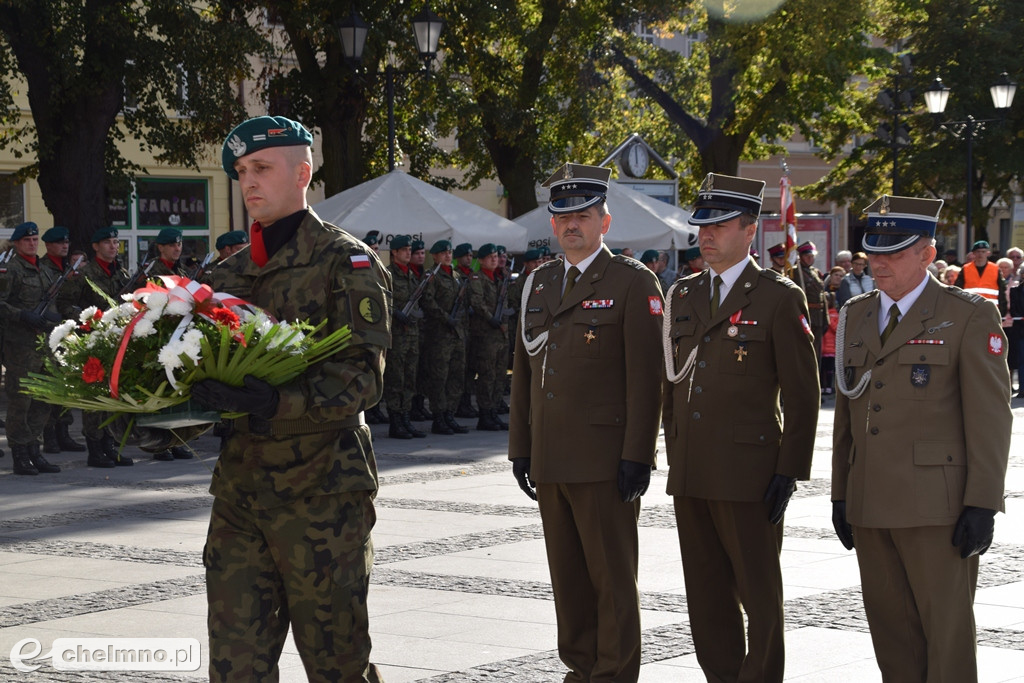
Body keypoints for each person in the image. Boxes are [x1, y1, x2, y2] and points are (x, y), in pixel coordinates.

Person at [191, 115, 390, 682]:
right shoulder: (227, 274)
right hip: (240, 492)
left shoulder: (344, 263)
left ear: (302, 173)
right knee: (235, 664)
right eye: (240, 172)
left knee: (336, 661)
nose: (247, 182)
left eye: (261, 168)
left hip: (321, 492)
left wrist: (277, 401)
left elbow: (363, 379)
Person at [832, 194, 1011, 682]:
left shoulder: (968, 316)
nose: (879, 262)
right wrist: (840, 494)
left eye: (895, 251)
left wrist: (982, 503)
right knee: (892, 639)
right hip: (870, 504)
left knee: (946, 639)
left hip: (938, 509)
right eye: (874, 251)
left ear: (928, 253)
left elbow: (992, 418)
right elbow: (847, 413)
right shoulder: (857, 314)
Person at [509, 162, 663, 682]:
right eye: (563, 216)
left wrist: (638, 454)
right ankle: (580, 668)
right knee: (568, 579)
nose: (572, 224)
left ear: (605, 221)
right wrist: (520, 447)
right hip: (552, 455)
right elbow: (524, 374)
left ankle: (615, 673)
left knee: (611, 579)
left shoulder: (631, 282)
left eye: (584, 214)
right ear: (553, 224)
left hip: (604, 459)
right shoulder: (539, 282)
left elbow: (648, 379)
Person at [662, 173, 819, 683]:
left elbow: (802, 392)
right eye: (702, 225)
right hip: (692, 470)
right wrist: (674, 450)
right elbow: (671, 383)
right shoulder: (682, 294)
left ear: (750, 230)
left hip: (750, 471)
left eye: (720, 225)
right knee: (705, 595)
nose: (706, 235)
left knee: (758, 593)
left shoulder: (777, 297)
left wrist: (789, 470)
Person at [0, 221, 64, 475]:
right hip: (20, 347)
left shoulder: (44, 270)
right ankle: (20, 454)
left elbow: (52, 301)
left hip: (43, 345)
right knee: (21, 401)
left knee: (43, 399)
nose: (32, 243)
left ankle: (34, 450)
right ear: (16, 243)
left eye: (35, 239)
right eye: (27, 240)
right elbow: (1, 304)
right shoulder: (10, 269)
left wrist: (54, 318)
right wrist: (23, 315)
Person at [70, 227, 134, 468]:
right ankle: (95, 449)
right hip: (95, 340)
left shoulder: (122, 273)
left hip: (118, 340)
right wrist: (88, 321)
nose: (113, 246)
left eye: (116, 242)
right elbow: (67, 305)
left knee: (113, 392)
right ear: (96, 246)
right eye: (107, 242)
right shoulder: (84, 275)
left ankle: (111, 445)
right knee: (95, 394)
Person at [38, 226, 86, 456]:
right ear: (48, 246)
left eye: (66, 242)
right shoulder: (42, 268)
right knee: (51, 384)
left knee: (66, 384)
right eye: (59, 243)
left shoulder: (69, 268)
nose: (64, 246)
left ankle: (63, 432)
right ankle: (49, 436)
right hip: (47, 334)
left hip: (67, 332)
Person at [418, 239, 469, 435]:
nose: (448, 256)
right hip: (439, 334)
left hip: (456, 333)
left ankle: (450, 414)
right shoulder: (432, 276)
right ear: (435, 256)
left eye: (449, 252)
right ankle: (439, 417)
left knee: (456, 375)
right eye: (444, 253)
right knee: (440, 377)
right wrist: (445, 317)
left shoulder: (455, 276)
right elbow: (428, 302)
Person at [384, 234, 425, 439]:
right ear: (394, 253)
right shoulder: (388, 274)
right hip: (397, 336)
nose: (409, 252)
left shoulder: (411, 275)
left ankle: (406, 418)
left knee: (410, 378)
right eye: (405, 250)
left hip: (412, 334)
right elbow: (383, 301)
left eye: (410, 249)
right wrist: (395, 313)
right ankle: (396, 421)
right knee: (396, 379)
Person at [467, 243, 508, 431]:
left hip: (499, 334)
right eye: (490, 257)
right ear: (481, 260)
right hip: (485, 334)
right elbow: (477, 302)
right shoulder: (477, 278)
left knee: (499, 374)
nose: (494, 259)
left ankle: (493, 412)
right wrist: (491, 319)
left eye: (495, 256)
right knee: (487, 375)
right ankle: (484, 414)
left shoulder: (500, 279)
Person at [452, 242, 478, 419]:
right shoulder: (456, 276)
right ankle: (459, 404)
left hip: (473, 328)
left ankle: (467, 401)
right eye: (466, 256)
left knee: (470, 368)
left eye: (470, 256)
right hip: (460, 327)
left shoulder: (474, 276)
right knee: (459, 369)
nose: (469, 258)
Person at [954, 240, 1007, 316]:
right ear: (973, 253)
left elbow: (1002, 291)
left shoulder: (995, 269)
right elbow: (958, 289)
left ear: (988, 253)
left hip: (990, 309)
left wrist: (1002, 312)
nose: (980, 254)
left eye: (983, 252)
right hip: (970, 309)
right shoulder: (965, 269)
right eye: (978, 251)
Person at [796, 240, 827, 362]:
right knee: (805, 351)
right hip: (806, 315)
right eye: (807, 256)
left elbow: (822, 296)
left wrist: (826, 318)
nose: (810, 259)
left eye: (812, 256)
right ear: (801, 256)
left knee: (816, 352)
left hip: (818, 317)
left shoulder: (816, 272)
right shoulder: (795, 272)